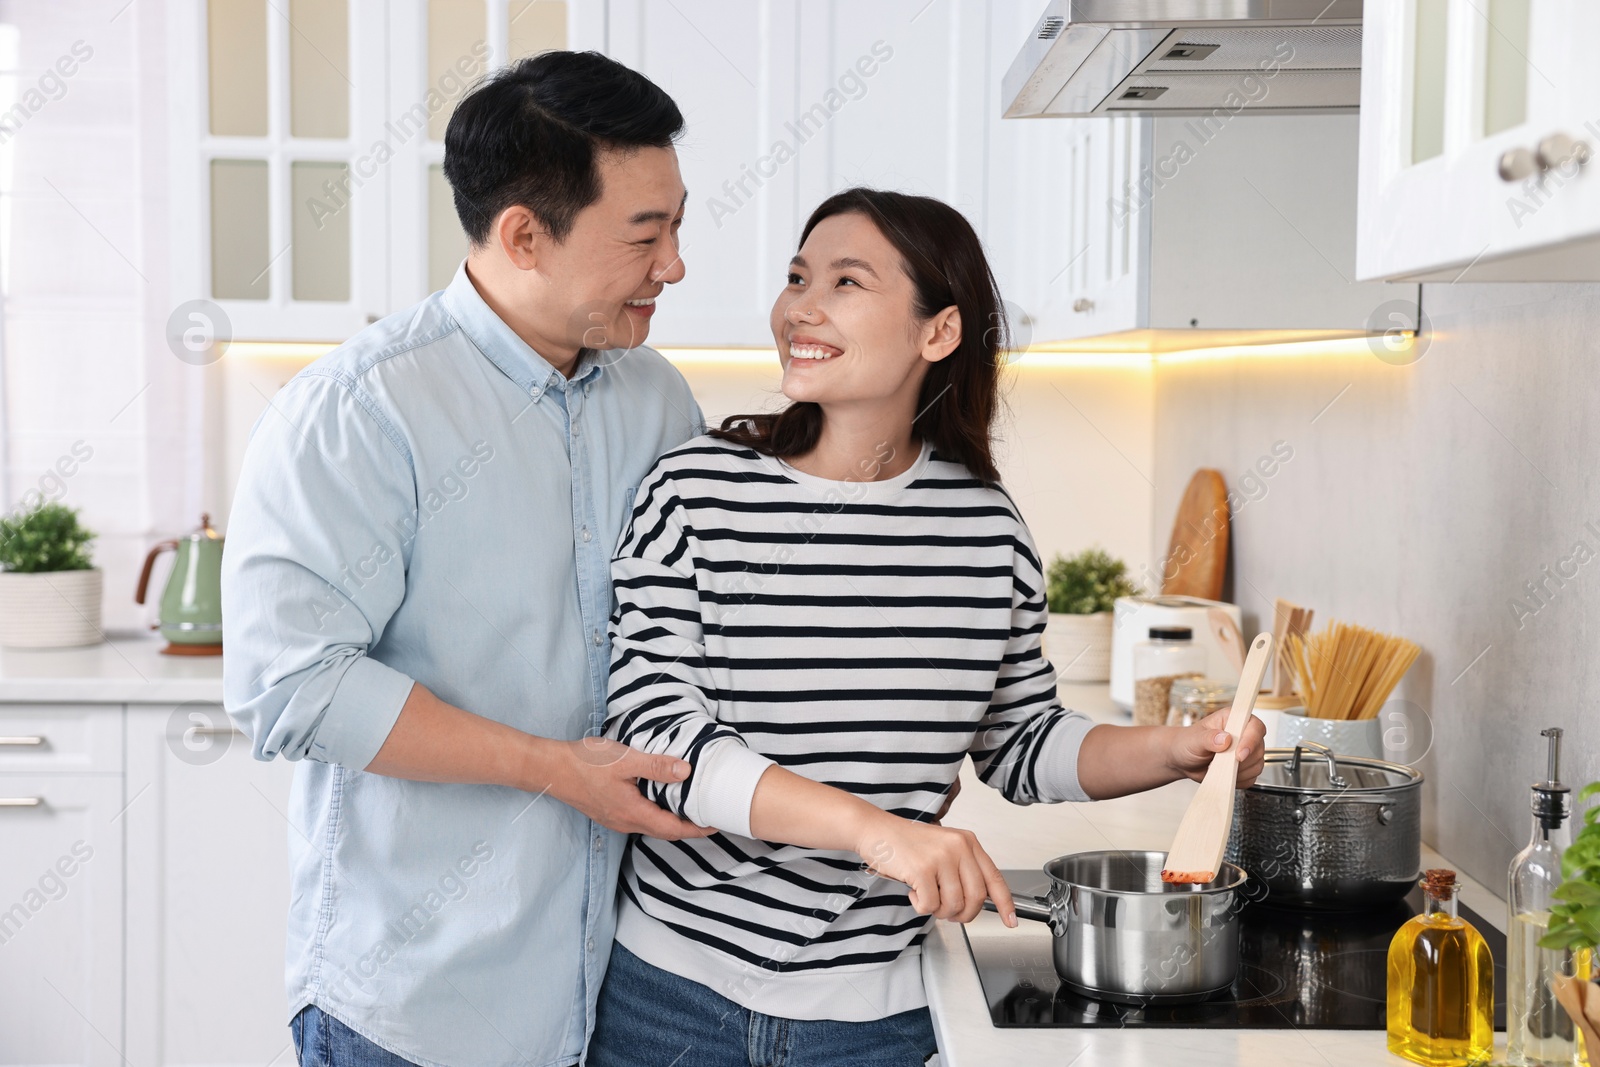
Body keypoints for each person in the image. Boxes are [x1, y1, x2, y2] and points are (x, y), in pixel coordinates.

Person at [590, 187, 1268, 1066]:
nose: (801, 304)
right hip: (672, 999)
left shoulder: (985, 529)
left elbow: (1021, 743)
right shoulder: (695, 491)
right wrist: (879, 830)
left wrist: (1173, 749)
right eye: (798, 276)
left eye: (845, 282)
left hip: (880, 1016)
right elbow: (657, 741)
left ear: (937, 331)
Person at [222, 52, 712, 1067]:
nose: (674, 265)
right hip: (414, 1006)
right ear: (525, 234)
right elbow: (291, 688)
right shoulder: (362, 409)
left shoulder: (658, 401)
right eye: (644, 233)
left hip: (615, 997)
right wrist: (557, 771)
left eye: (676, 225)